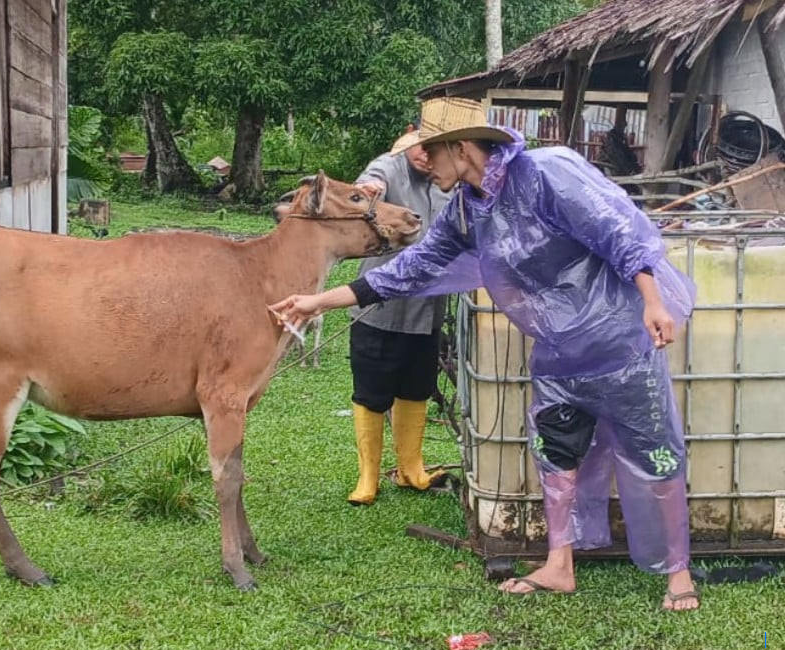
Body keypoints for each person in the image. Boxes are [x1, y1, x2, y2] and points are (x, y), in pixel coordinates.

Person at [270, 97, 700, 611]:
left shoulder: (547, 172)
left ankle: (678, 574)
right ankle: (559, 565)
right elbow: (408, 271)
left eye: (429, 150)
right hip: (559, 352)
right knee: (557, 453)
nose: (423, 161)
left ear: (460, 146)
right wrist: (320, 300)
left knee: (655, 450)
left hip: (620, 341)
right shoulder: (467, 210)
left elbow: (619, 231)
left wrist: (652, 301)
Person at [344, 124, 453, 506]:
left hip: (428, 311)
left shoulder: (448, 180)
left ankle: (412, 469)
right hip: (379, 308)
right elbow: (369, 183)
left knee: (417, 387)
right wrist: (368, 192)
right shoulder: (388, 168)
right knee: (372, 391)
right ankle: (368, 477)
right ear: (406, 142)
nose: (426, 155)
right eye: (419, 147)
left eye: (433, 148)